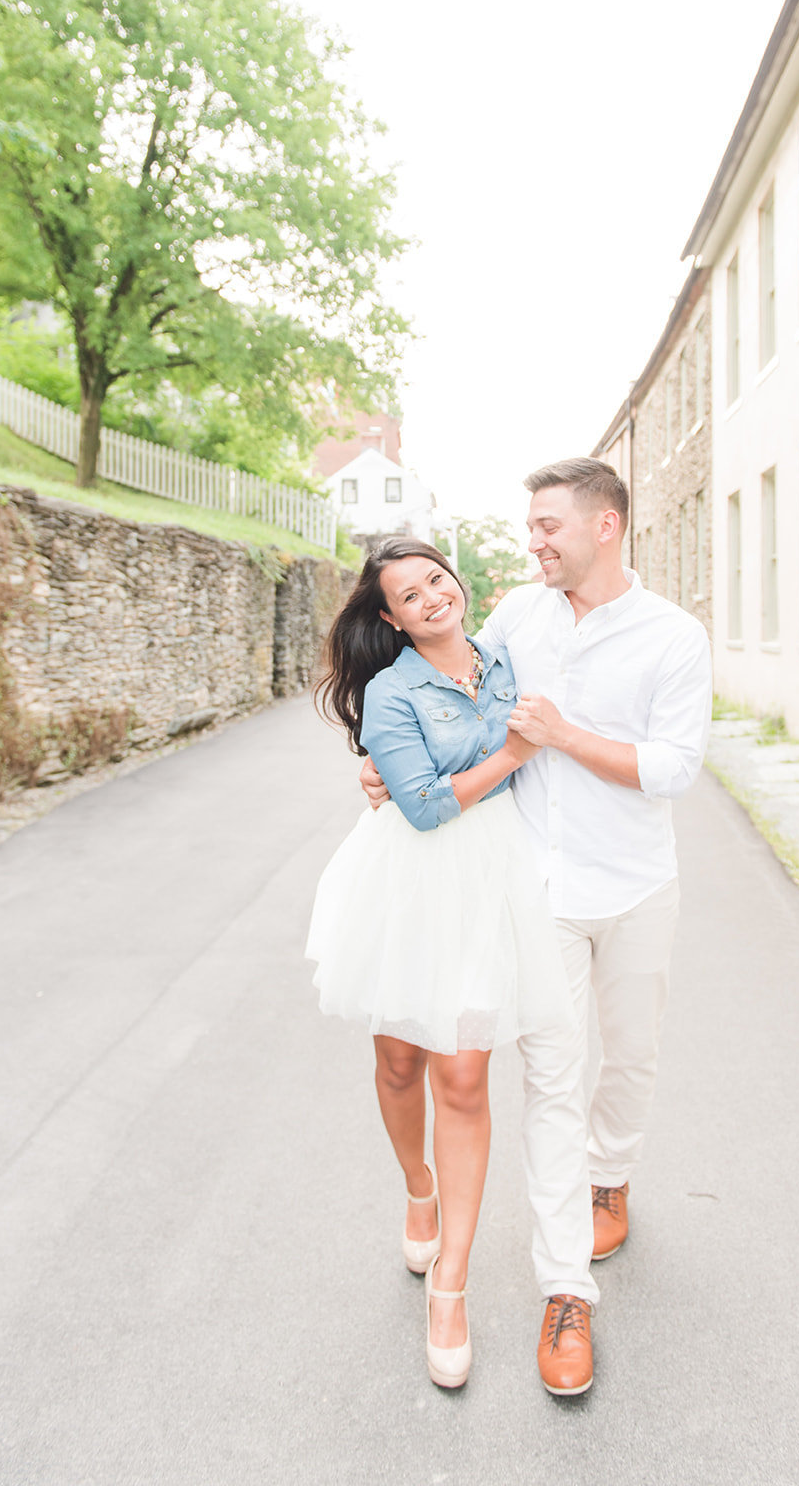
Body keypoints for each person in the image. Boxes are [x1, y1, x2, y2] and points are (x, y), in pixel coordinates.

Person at [361, 460, 712, 1396]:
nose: (534, 541)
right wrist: (384, 768)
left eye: (549, 525)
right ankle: (567, 1293)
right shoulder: (517, 614)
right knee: (551, 1082)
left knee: (628, 1061)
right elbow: (446, 695)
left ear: (606, 525)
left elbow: (674, 768)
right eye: (531, 526)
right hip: (539, 889)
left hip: (637, 884)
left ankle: (612, 1177)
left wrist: (561, 737)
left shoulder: (673, 637)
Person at [304, 537, 573, 1390]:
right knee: (399, 1059)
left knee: (463, 1075)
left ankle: (450, 1283)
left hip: (492, 876)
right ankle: (417, 1184)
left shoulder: (503, 655)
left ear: (456, 584)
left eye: (436, 581)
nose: (430, 599)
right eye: (408, 596)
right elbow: (419, 807)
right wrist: (512, 758)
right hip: (410, 880)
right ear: (389, 618)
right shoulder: (390, 691)